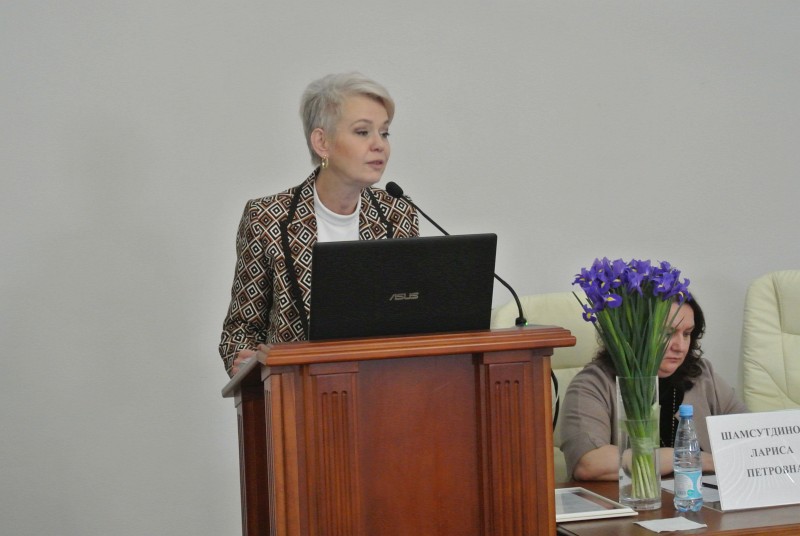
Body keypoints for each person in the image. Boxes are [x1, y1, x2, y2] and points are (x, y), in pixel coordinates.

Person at [219, 72, 419, 377]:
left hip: (381, 389)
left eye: (385, 133)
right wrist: (242, 359)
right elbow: (240, 330)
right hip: (297, 392)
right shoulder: (267, 217)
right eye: (363, 132)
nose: (379, 145)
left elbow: (412, 318)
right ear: (322, 142)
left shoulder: (398, 213)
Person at [559, 298, 748, 481]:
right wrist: (696, 459)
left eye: (686, 333)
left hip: (698, 498)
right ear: (632, 333)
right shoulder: (592, 383)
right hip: (626, 501)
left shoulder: (702, 375)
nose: (680, 347)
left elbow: (752, 439)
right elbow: (589, 463)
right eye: (667, 333)